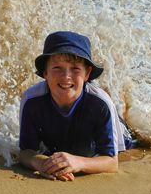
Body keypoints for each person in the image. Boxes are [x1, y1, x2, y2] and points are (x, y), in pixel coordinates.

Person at [19, 31, 133, 181]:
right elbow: (25, 152)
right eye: (57, 68)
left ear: (87, 74)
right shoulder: (31, 100)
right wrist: (41, 163)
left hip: (117, 134)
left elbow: (112, 162)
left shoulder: (100, 104)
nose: (66, 76)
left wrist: (78, 162)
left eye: (75, 69)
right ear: (45, 72)